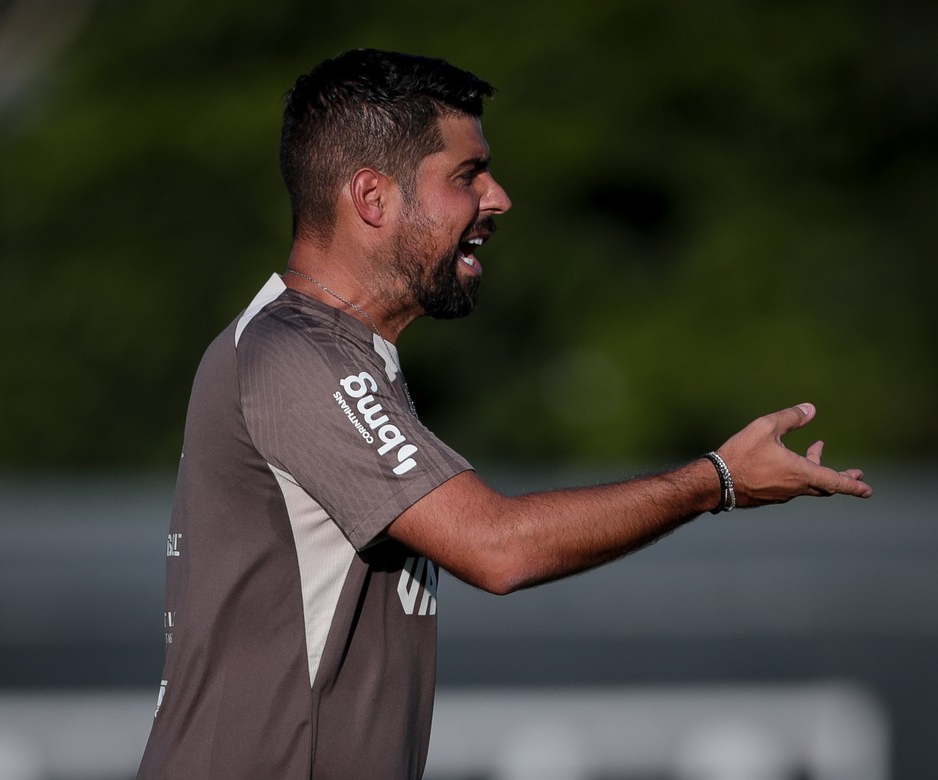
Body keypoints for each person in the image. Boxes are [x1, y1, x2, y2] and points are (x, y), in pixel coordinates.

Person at [137, 48, 872, 779]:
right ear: (372, 198)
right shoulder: (297, 355)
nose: (498, 199)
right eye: (467, 175)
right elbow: (496, 548)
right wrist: (716, 481)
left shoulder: (326, 353)